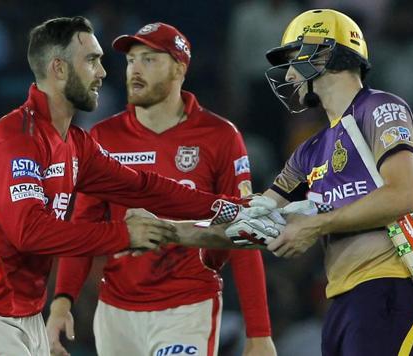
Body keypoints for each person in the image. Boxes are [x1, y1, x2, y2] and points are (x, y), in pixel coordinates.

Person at [0, 16, 250, 356]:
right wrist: (126, 234)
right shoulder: (16, 140)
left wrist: (229, 207)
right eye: (92, 60)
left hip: (23, 313)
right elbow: (29, 231)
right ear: (59, 69)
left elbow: (144, 187)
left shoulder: (75, 144)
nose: (104, 72)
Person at [47, 23, 277, 356]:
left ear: (180, 68)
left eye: (150, 60)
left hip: (187, 307)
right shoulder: (101, 139)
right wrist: (61, 303)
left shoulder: (219, 137)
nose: (135, 69)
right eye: (131, 60)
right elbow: (82, 228)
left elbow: (245, 231)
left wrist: (259, 333)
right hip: (116, 312)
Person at [253, 9, 413, 355]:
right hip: (340, 298)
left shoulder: (380, 107)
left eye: (294, 59)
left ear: (322, 53)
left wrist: (316, 224)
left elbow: (404, 195)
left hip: (387, 284)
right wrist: (178, 229)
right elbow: (259, 211)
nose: (289, 73)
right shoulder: (308, 149)